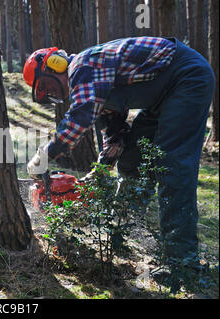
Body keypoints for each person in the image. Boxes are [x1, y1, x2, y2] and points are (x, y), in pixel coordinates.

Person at [23, 37, 215, 292]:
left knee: (172, 167)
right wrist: (100, 170)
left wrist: (44, 154)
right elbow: (115, 134)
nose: (56, 94)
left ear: (56, 65)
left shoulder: (82, 66)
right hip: (164, 97)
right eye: (48, 95)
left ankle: (182, 264)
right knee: (132, 157)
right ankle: (122, 229)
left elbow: (80, 115)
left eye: (49, 86)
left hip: (187, 79)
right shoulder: (93, 84)